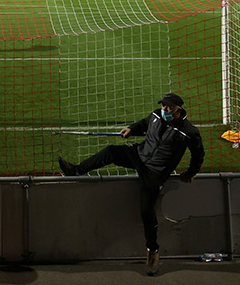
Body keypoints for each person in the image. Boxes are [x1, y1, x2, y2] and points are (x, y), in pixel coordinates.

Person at [58, 92, 204, 276]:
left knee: (146, 210)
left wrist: (191, 172)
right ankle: (76, 170)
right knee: (111, 151)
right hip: (139, 155)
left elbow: (199, 154)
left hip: (155, 172)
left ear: (178, 109)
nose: (165, 109)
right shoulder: (156, 115)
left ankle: (152, 252)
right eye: (163, 106)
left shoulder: (189, 131)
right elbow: (144, 124)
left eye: (169, 107)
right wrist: (131, 129)